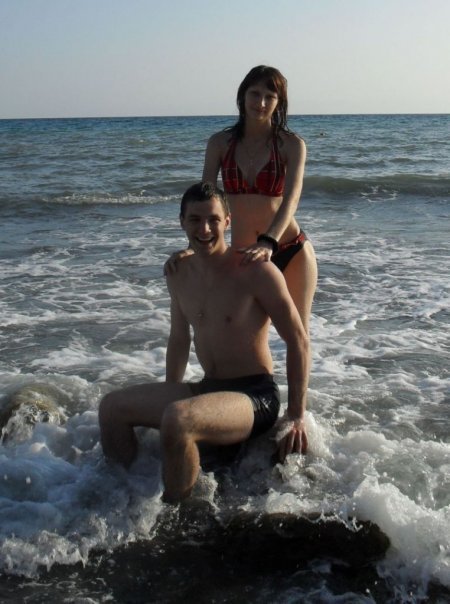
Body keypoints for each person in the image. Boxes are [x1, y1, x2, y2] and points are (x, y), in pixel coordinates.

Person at [99, 182, 309, 503]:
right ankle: (126, 498)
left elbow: (298, 340)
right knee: (111, 408)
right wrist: (169, 392)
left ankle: (176, 514)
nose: (205, 229)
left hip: (254, 396)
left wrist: (296, 415)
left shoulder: (256, 270)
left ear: (228, 221)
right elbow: (179, 339)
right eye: (195, 220)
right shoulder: (178, 273)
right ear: (181, 222)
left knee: (178, 419)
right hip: (208, 388)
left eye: (213, 219)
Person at [167, 65, 317, 416]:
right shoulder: (220, 143)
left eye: (269, 96)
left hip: (289, 249)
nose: (261, 103)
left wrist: (269, 241)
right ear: (242, 96)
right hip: (241, 256)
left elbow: (292, 199)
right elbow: (206, 199)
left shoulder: (291, 145)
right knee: (241, 337)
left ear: (279, 102)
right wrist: (192, 248)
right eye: (255, 94)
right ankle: (238, 408)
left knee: (298, 335)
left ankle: (297, 417)